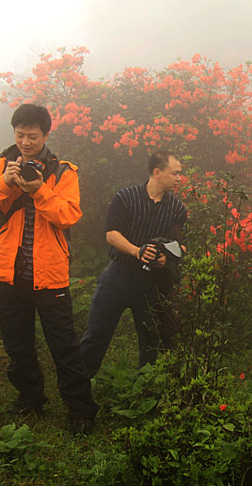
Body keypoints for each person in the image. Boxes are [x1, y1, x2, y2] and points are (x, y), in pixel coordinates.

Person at [0, 103, 98, 435]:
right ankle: (30, 399)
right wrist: (3, 183)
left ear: (46, 134)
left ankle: (80, 410)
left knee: (64, 345)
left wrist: (39, 189)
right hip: (7, 272)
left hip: (49, 273)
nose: (25, 142)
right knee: (17, 343)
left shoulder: (63, 171)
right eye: (20, 135)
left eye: (33, 136)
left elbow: (69, 215)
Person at [80, 151, 187, 377]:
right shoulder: (125, 197)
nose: (180, 178)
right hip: (118, 276)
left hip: (153, 283)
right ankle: (78, 391)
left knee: (150, 341)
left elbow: (183, 246)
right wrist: (138, 251)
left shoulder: (177, 208)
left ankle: (145, 396)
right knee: (96, 335)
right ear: (157, 173)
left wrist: (166, 258)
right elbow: (111, 234)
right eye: (175, 173)